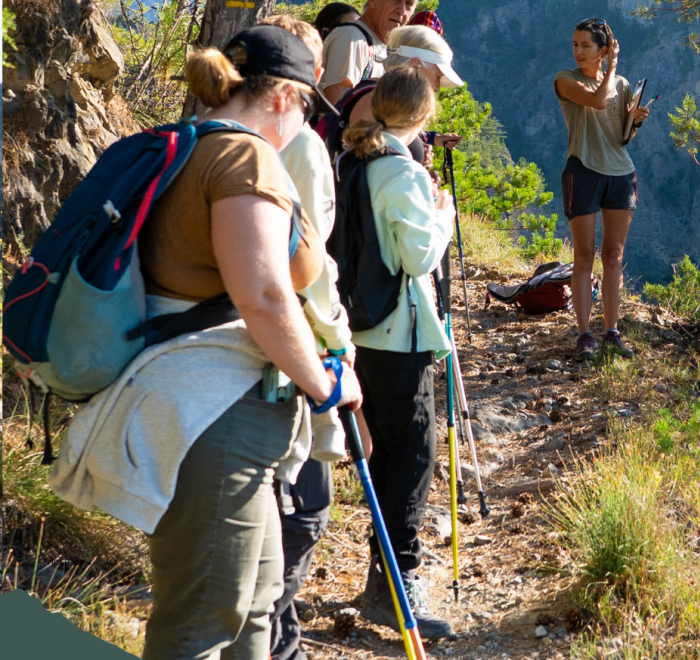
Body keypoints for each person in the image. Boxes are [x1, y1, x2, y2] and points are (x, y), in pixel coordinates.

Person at [123, 26, 359, 659]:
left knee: (253, 610)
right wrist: (325, 382)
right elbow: (264, 295)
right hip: (216, 412)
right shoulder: (245, 158)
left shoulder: (188, 147)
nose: (306, 122)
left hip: (205, 407)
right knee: (201, 623)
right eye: (307, 106)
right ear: (283, 96)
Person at [342, 66, 458, 641]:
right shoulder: (402, 174)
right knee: (413, 458)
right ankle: (398, 583)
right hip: (399, 335)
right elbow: (418, 259)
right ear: (420, 117)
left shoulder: (352, 163)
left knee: (386, 455)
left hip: (358, 332)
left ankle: (380, 579)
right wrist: (443, 215)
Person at [259, 14, 352, 660]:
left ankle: (276, 638)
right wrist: (338, 352)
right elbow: (311, 269)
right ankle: (270, 637)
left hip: (228, 357)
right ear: (310, 75)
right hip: (292, 357)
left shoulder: (225, 134)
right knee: (305, 512)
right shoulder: (304, 148)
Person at [554, 18, 649, 361]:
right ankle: (584, 335)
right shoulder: (566, 80)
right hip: (583, 170)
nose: (578, 52)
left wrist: (635, 120)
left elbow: (622, 138)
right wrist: (611, 67)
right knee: (584, 256)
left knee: (613, 255)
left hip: (620, 173)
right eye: (575, 45)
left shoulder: (621, 85)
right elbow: (596, 101)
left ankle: (612, 331)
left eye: (586, 46)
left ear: (602, 49)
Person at [344, 24, 463, 168]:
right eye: (437, 76)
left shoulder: (381, 96)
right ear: (415, 64)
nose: (437, 87)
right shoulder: (375, 100)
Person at [320, 0, 418, 104]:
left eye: (409, 3)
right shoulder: (352, 37)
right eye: (396, 1)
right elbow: (336, 109)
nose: (402, 11)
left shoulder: (381, 47)